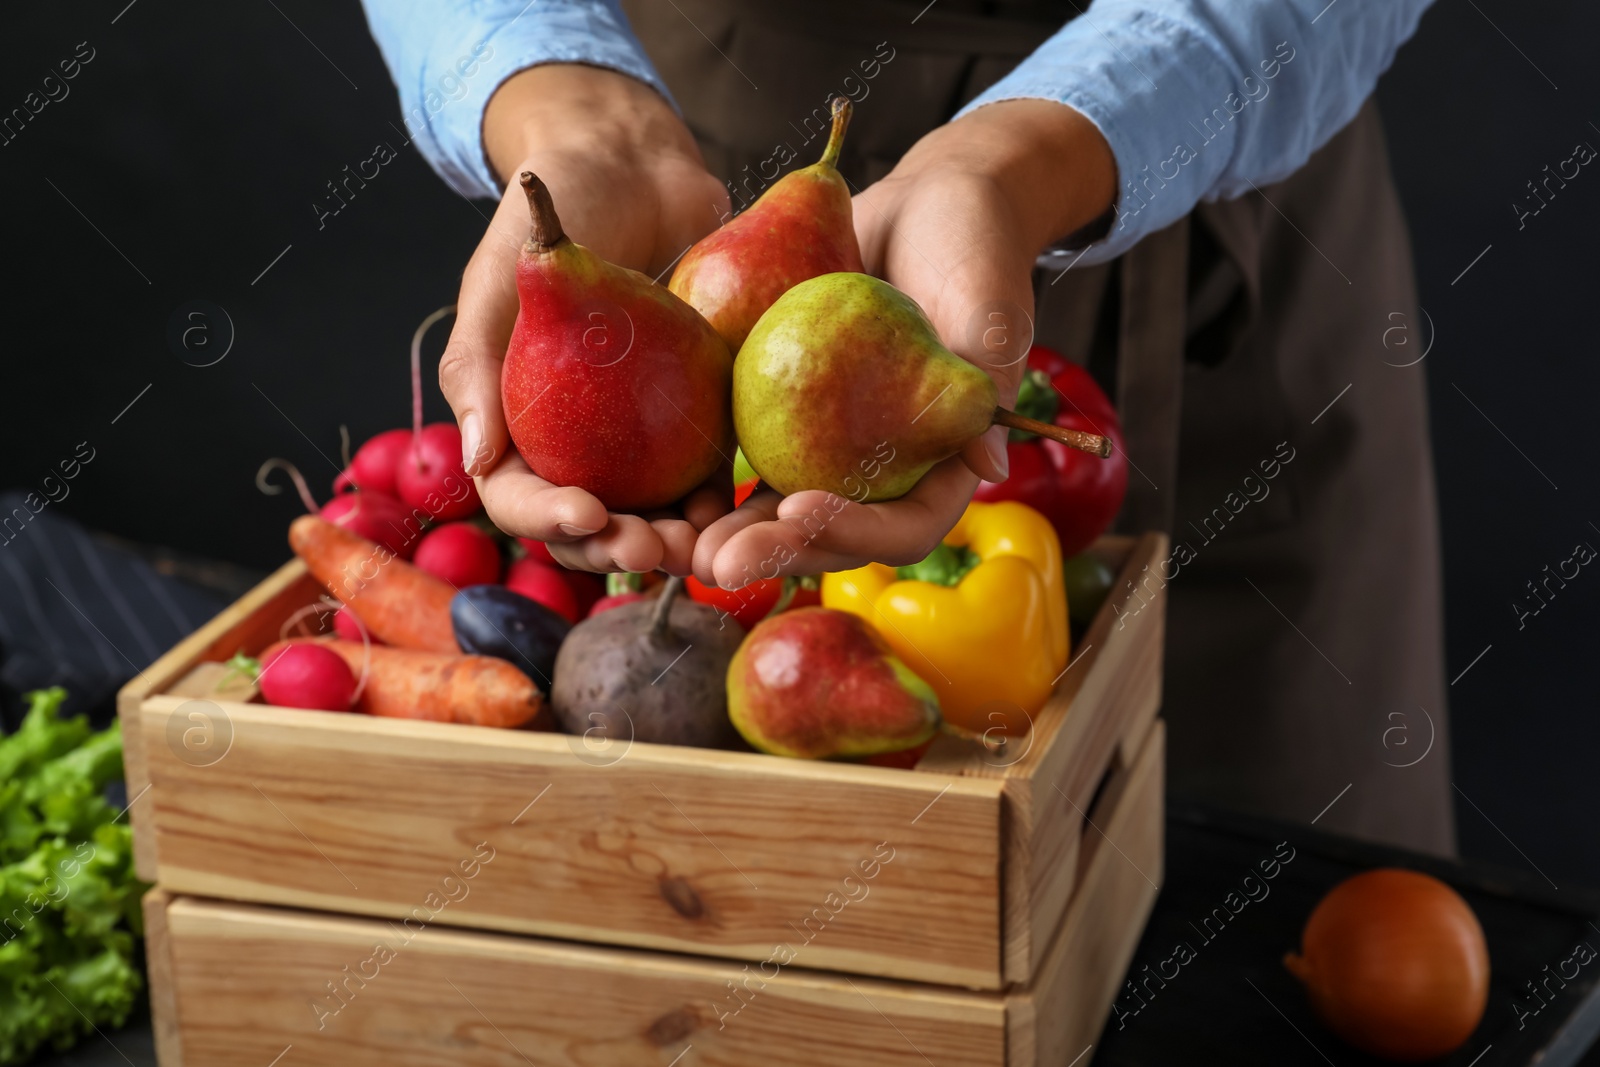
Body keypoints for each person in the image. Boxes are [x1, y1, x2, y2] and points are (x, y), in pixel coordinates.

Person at [361, 0, 1452, 855]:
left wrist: (1008, 164)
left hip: (1224, 173)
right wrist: (572, 115)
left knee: (1274, 916)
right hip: (702, 133)